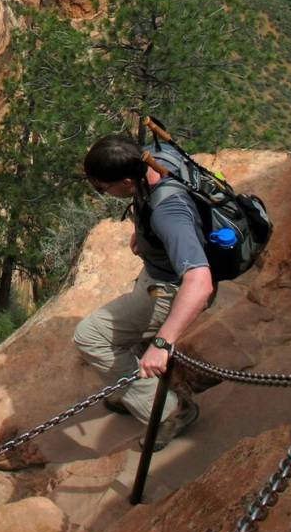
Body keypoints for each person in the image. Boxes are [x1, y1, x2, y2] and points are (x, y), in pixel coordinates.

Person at [74, 133, 215, 452]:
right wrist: (143, 232)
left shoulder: (169, 213)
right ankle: (133, 381)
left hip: (168, 290)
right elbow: (146, 199)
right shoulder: (149, 159)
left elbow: (200, 281)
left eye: (103, 188)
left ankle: (169, 411)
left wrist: (163, 345)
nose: (103, 193)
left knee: (89, 337)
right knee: (130, 329)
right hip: (157, 273)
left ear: (126, 181)